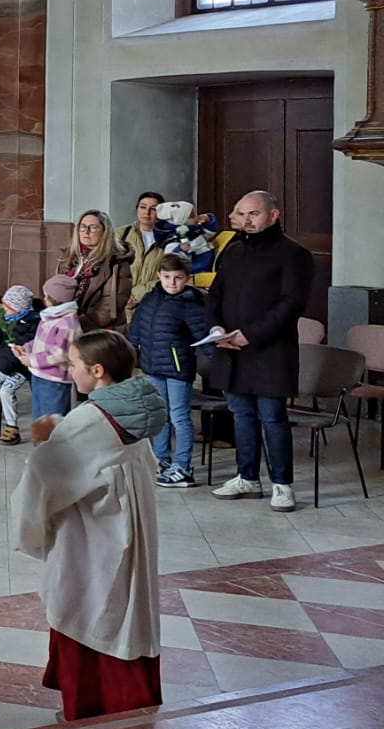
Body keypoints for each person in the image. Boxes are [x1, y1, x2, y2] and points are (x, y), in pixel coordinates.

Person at [13, 330, 164, 720]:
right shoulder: (135, 405)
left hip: (92, 538)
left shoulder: (88, 418)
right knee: (121, 609)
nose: (69, 372)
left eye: (73, 365)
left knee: (89, 604)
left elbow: (45, 481)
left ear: (97, 371)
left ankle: (93, 703)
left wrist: (46, 443)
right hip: (126, 529)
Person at [206, 190, 314, 513]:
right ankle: (247, 477)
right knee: (241, 414)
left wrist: (249, 335)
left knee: (272, 417)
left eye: (253, 214)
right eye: (241, 214)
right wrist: (216, 330)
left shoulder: (293, 254)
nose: (246, 220)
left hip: (270, 351)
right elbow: (214, 295)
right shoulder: (233, 251)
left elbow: (291, 305)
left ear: (273, 215)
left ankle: (282, 484)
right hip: (231, 348)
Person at [124, 254, 209, 487]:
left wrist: (219, 360)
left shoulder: (191, 303)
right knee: (160, 415)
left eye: (178, 278)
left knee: (179, 417)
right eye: (167, 277)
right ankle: (161, 460)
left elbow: (203, 335)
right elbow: (137, 329)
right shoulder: (151, 299)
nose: (172, 283)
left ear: (187, 279)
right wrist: (131, 354)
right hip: (152, 366)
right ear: (159, 276)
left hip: (178, 368)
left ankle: (182, 467)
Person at [0, 284, 37, 445]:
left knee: (6, 391)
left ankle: (12, 427)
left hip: (20, 368)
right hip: (3, 363)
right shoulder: (6, 320)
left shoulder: (34, 324)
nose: (4, 308)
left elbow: (24, 349)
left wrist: (6, 365)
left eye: (7, 306)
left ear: (18, 309)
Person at [17, 274, 82, 422]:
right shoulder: (50, 316)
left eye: (47, 296)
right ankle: (40, 444)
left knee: (52, 421)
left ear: (57, 299)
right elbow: (39, 340)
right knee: (38, 418)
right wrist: (26, 348)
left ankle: (50, 445)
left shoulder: (68, 323)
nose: (44, 299)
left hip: (55, 380)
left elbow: (59, 354)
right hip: (39, 374)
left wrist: (32, 359)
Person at [58, 210, 133, 331]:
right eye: (83, 227)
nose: (86, 232)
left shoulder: (117, 263)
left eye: (93, 227)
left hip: (98, 331)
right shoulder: (69, 258)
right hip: (68, 326)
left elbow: (109, 307)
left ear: (105, 231)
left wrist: (78, 325)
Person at [119, 192, 169, 308]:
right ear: (137, 209)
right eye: (143, 207)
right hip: (120, 305)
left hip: (153, 304)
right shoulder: (121, 234)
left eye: (153, 209)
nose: (146, 213)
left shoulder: (170, 239)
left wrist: (137, 294)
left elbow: (172, 275)